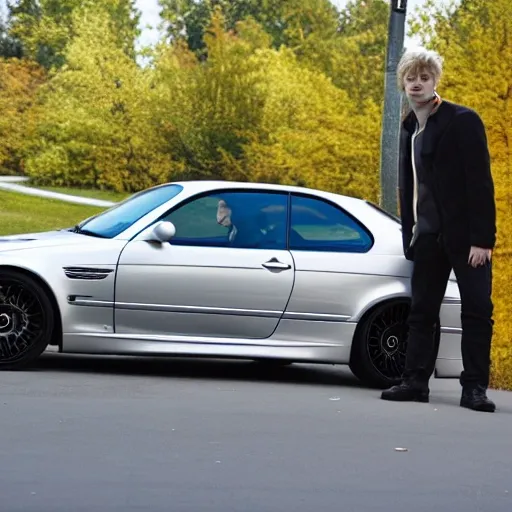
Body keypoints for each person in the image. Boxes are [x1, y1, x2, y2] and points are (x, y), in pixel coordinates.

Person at [380, 47, 497, 412]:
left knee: (477, 309)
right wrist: (411, 235)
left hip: (466, 238)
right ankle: (415, 381)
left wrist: (482, 239)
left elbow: (480, 181)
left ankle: (474, 388)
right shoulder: (407, 127)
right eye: (411, 78)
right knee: (421, 311)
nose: (417, 84)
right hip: (427, 236)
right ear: (403, 82)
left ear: (435, 82)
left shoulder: (462, 120)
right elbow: (408, 185)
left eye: (424, 78)